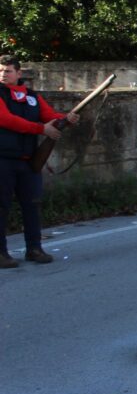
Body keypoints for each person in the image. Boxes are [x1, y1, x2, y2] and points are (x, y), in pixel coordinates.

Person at [0, 55, 80, 266]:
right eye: (0, 70)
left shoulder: (32, 96)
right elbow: (6, 120)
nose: (3, 74)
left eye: (7, 71)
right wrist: (40, 129)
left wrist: (66, 119)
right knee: (1, 206)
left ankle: (34, 249)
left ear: (18, 73)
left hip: (28, 160)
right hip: (3, 159)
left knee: (33, 204)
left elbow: (49, 115)